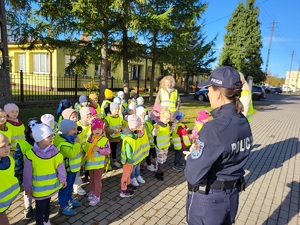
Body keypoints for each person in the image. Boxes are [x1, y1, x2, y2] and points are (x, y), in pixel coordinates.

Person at [184, 66, 253, 225]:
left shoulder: (213, 128)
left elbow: (193, 175)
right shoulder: (242, 121)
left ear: (217, 93)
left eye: (209, 89)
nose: (207, 93)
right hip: (231, 195)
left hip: (209, 200)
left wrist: (193, 158)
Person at [23, 124, 67, 225]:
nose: (52, 138)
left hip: (50, 187)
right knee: (39, 208)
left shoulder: (55, 151)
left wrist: (63, 179)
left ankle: (46, 220)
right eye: (49, 136)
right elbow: (27, 173)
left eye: (52, 135)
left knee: (47, 205)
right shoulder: (31, 155)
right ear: (39, 138)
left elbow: (60, 166)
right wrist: (27, 187)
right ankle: (40, 222)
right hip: (39, 190)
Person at [14, 117, 42, 220]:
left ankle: (40, 206)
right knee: (27, 192)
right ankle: (28, 207)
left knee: (39, 191)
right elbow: (18, 162)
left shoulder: (43, 143)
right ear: (27, 131)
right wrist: (19, 176)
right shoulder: (22, 145)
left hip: (40, 174)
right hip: (28, 174)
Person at [54, 119, 82, 216]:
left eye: (76, 129)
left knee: (70, 187)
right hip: (66, 171)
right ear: (66, 131)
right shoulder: (63, 143)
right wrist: (77, 143)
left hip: (73, 169)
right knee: (64, 188)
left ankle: (69, 199)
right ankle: (62, 206)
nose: (76, 131)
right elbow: (72, 154)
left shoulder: (71, 138)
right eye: (73, 129)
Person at [83, 118, 111, 206]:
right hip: (91, 164)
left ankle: (97, 196)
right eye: (95, 129)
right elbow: (85, 149)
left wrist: (98, 149)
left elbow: (108, 151)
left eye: (99, 129)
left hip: (99, 165)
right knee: (91, 179)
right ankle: (92, 191)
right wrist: (88, 144)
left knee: (97, 180)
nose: (97, 131)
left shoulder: (104, 140)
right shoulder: (90, 139)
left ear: (102, 129)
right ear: (92, 130)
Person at [119, 114, 142, 197]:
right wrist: (130, 161)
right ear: (133, 127)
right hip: (128, 161)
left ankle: (128, 186)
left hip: (131, 160)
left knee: (128, 174)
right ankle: (123, 190)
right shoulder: (128, 138)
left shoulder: (133, 134)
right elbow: (128, 152)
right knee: (125, 175)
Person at [0, 134, 20, 225]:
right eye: (3, 146)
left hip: (5, 201)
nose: (7, 148)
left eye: (8, 144)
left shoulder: (10, 160)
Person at [152, 108, 171, 181]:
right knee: (160, 160)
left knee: (164, 159)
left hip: (166, 145)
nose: (168, 120)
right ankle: (158, 173)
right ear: (162, 117)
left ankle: (159, 170)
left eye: (169, 119)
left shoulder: (167, 125)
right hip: (159, 146)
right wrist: (156, 129)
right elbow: (154, 133)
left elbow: (169, 132)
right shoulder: (158, 125)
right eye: (166, 119)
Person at [104, 102, 123, 168]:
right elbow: (105, 128)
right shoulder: (107, 118)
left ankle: (114, 161)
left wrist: (120, 129)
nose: (117, 111)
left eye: (118, 109)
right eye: (115, 109)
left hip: (116, 137)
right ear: (111, 110)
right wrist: (113, 131)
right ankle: (108, 163)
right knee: (108, 150)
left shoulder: (120, 118)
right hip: (110, 138)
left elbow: (122, 124)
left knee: (114, 150)